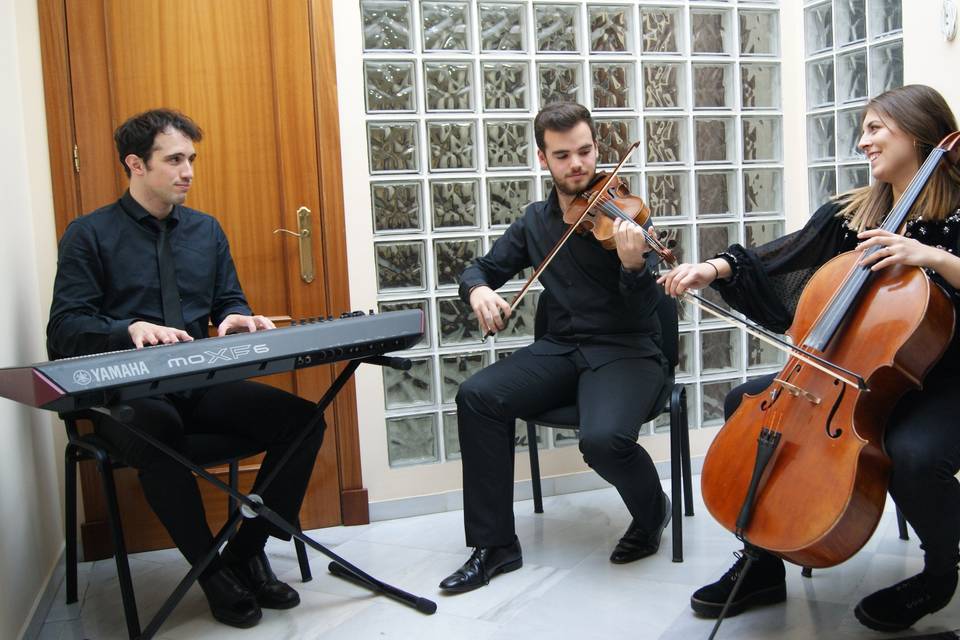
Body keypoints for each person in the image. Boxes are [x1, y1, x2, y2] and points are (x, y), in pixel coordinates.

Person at [659, 84, 960, 632]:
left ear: (918, 133)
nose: (862, 141)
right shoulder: (857, 213)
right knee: (744, 402)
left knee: (914, 453)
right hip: (862, 373)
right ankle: (761, 563)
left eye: (875, 128)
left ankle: (940, 574)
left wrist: (932, 256)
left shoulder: (956, 216)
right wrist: (713, 270)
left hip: (945, 380)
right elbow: (785, 252)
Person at [47, 109, 325, 629]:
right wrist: (128, 328)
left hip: (198, 383)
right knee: (159, 428)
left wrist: (237, 318)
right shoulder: (88, 235)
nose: (188, 171)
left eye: (191, 159)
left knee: (305, 420)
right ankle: (211, 570)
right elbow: (65, 328)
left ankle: (246, 549)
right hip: (125, 395)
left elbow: (228, 303)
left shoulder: (206, 231)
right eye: (174, 159)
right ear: (135, 164)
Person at [438, 102, 671, 593]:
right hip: (563, 348)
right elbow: (478, 269)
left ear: (596, 149)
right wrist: (478, 291)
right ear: (543, 159)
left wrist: (633, 267)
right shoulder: (536, 222)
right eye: (563, 155)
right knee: (477, 397)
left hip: (627, 350)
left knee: (603, 441)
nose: (578, 165)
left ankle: (653, 515)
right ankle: (495, 545)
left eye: (585, 151)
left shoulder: (624, 215)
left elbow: (649, 308)